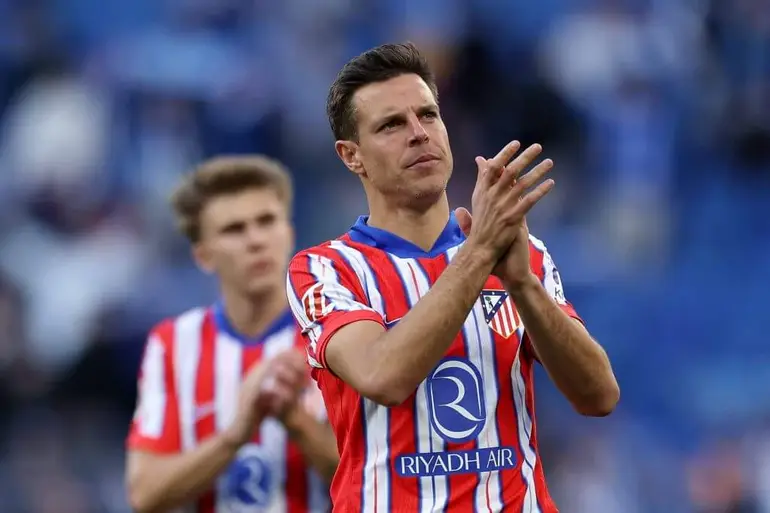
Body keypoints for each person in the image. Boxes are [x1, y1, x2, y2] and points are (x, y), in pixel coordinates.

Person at [285, 43, 620, 512]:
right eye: (391, 125)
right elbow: (383, 376)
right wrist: (479, 254)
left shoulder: (522, 254)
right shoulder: (325, 269)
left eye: (428, 115)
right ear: (351, 156)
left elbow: (598, 396)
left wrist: (523, 285)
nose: (418, 134)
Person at [126, 156, 338, 513]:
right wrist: (234, 435)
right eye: (234, 230)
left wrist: (296, 420)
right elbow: (145, 494)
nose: (255, 240)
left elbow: (375, 481)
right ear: (203, 256)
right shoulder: (173, 344)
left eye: (266, 221)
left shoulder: (332, 331)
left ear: (289, 234)